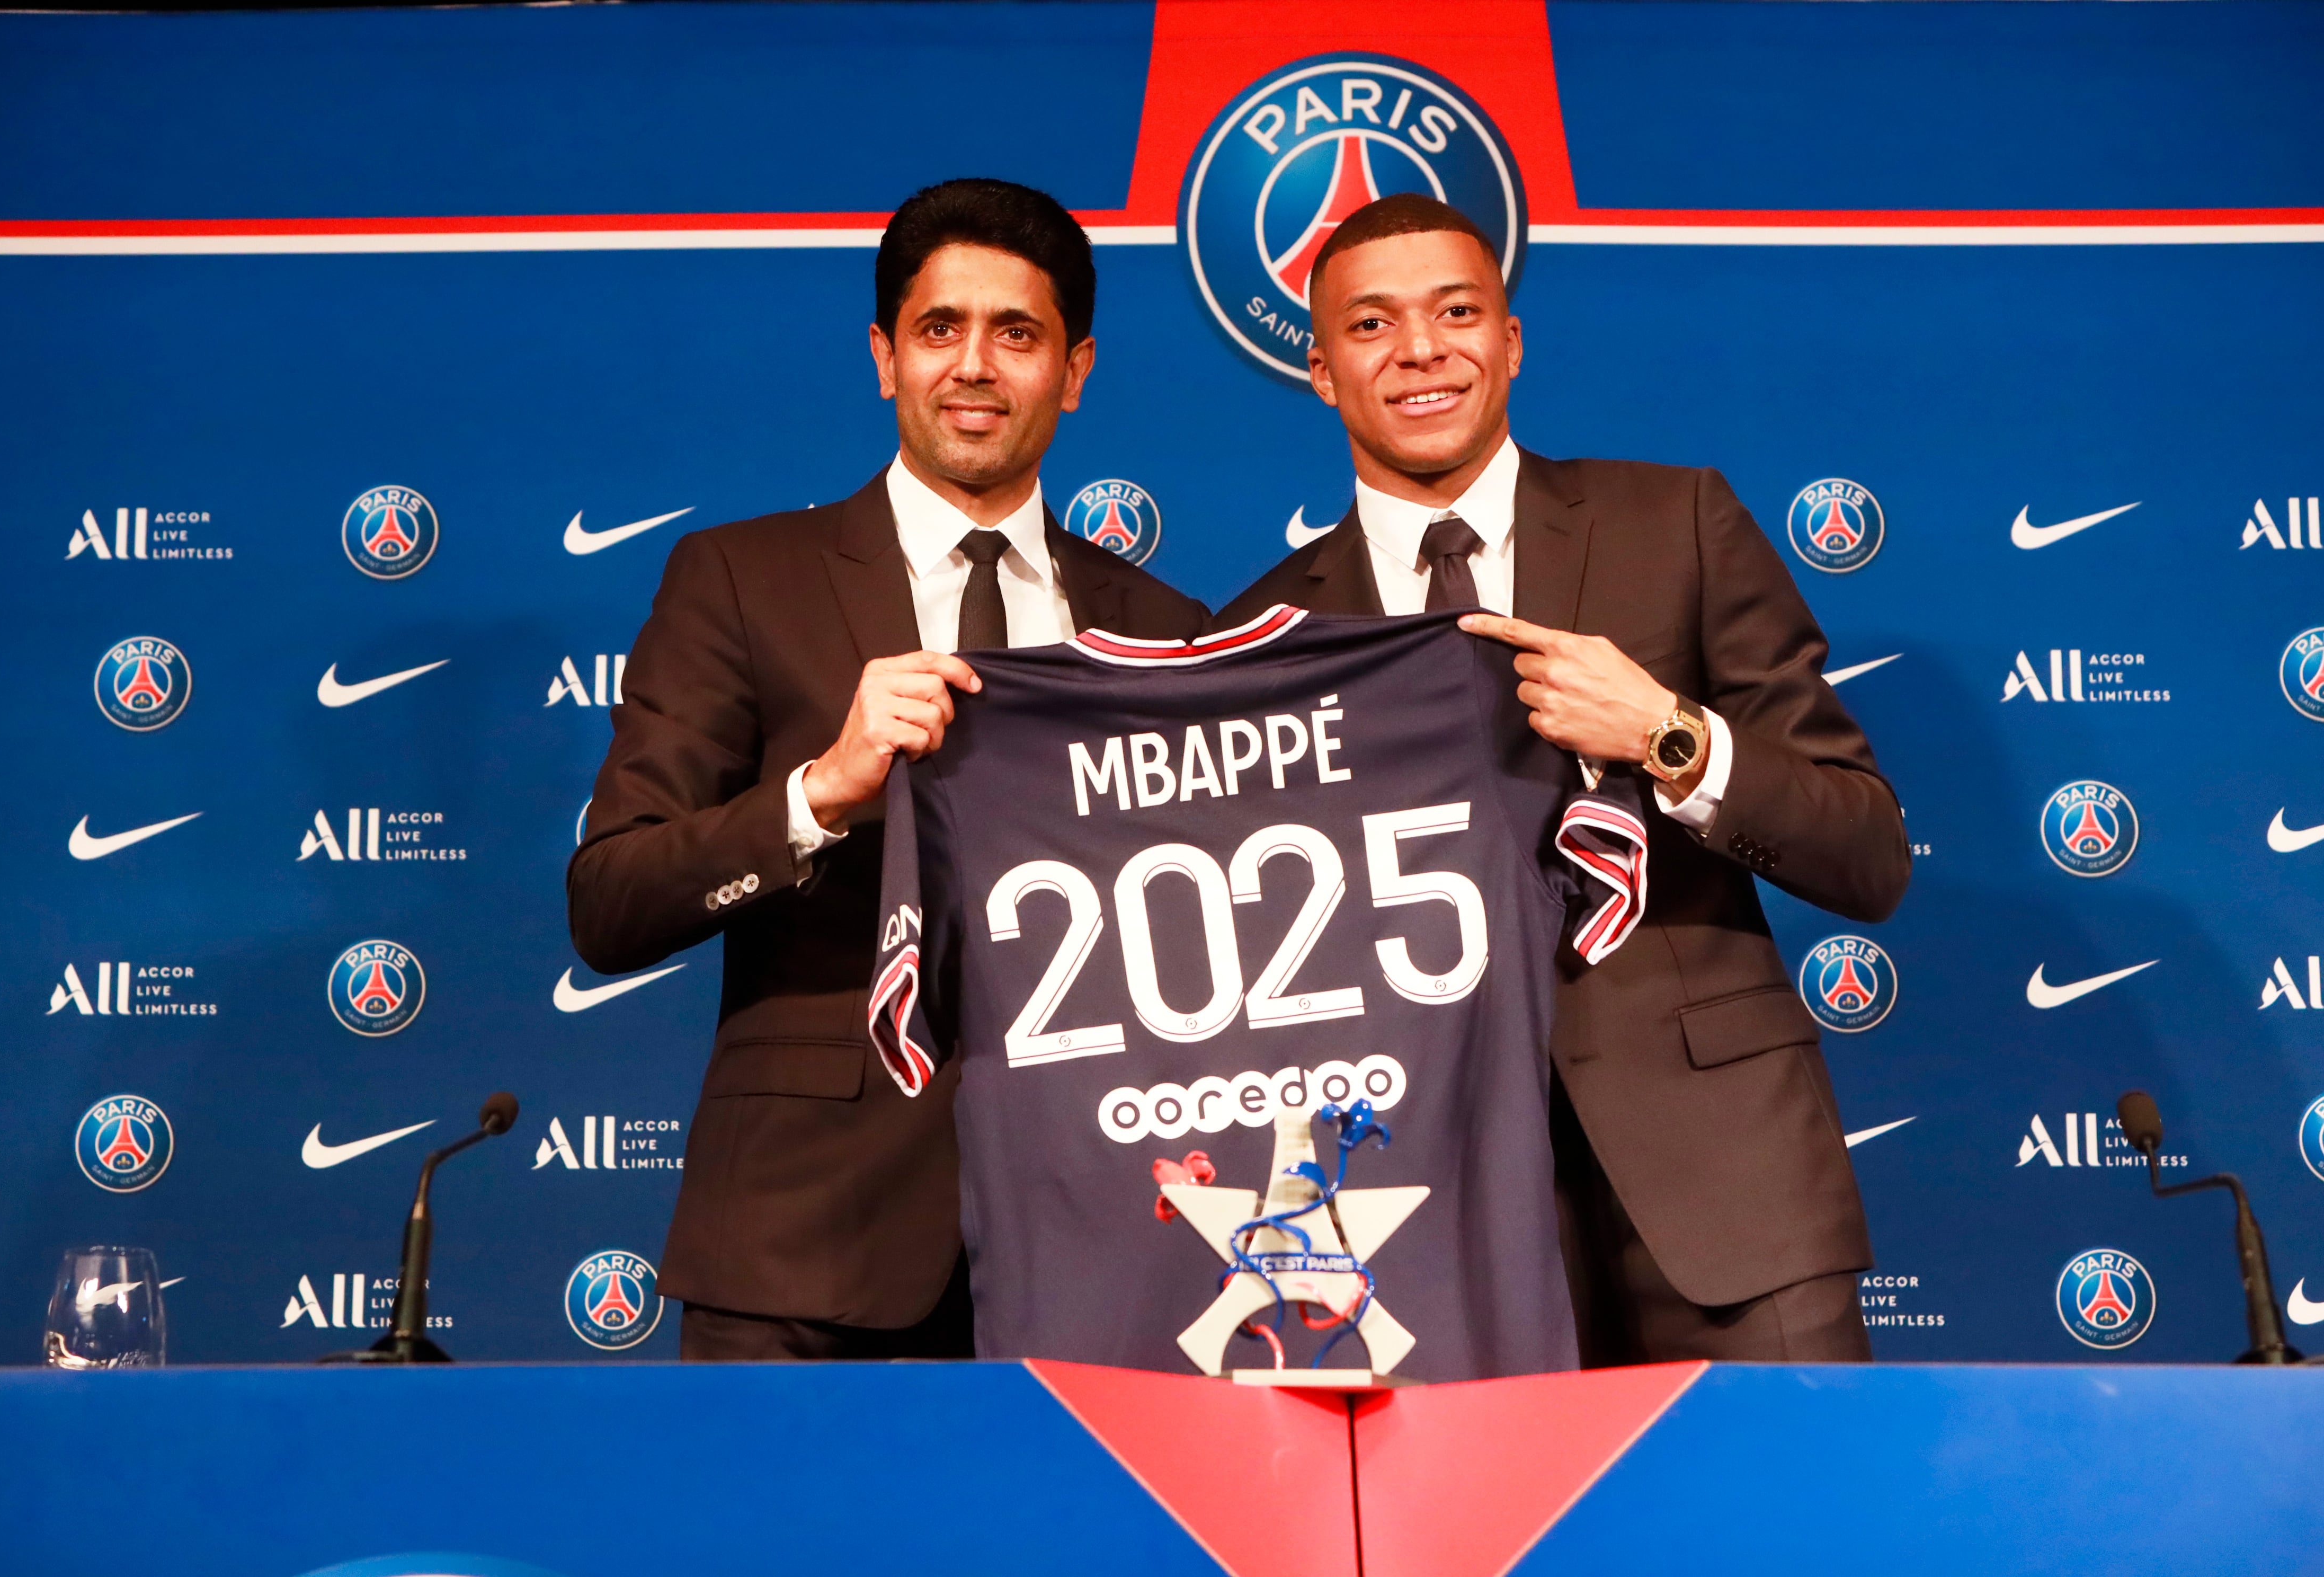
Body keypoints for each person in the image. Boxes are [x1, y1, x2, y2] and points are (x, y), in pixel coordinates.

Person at [1217, 193, 1910, 1363]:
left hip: (1726, 1191)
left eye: (1457, 312)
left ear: (1512, 341)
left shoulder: (1677, 521)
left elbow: (1867, 852)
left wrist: (1669, 733)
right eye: (1373, 326)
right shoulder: (1264, 634)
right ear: (1324, 370)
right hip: (1428, 1220)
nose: (1422, 350)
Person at [568, 178, 1207, 1362]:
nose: (974, 366)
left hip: (1103, 1239)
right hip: (807, 1244)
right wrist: (822, 793)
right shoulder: (742, 579)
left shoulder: (1166, 626)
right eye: (939, 330)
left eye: (1017, 334)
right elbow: (611, 900)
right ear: (884, 357)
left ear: (1074, 373)